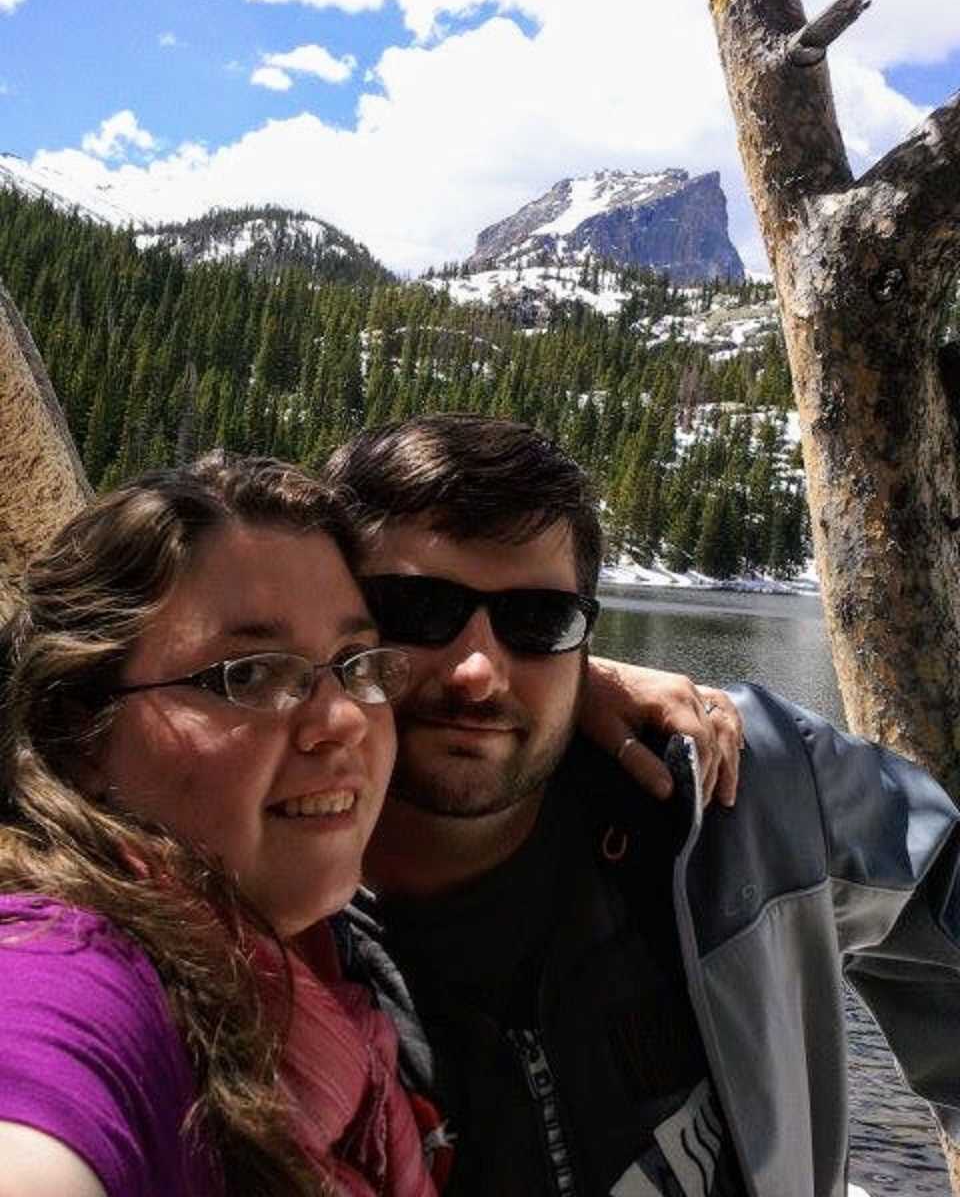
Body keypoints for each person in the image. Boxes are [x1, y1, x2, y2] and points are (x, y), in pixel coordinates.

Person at [325, 413, 960, 1197]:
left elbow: (942, 878)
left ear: (584, 643)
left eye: (539, 622)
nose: (478, 673)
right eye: (421, 612)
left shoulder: (735, 791)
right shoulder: (251, 927)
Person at [0, 454, 440, 1197]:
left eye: (355, 663)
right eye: (252, 674)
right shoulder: (65, 962)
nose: (342, 721)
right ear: (77, 730)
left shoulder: (302, 957)